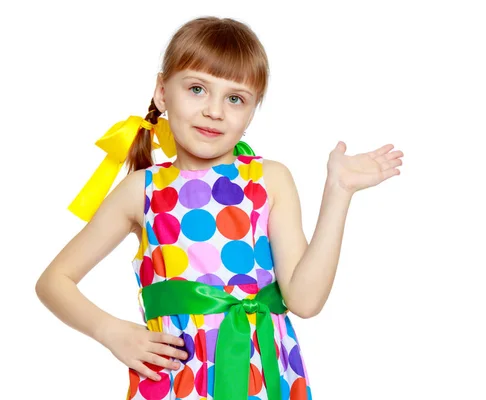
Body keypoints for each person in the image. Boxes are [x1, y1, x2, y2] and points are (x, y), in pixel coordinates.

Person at [35, 16, 403, 400]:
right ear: (162, 91)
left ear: (252, 110)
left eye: (235, 98)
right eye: (197, 88)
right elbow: (54, 281)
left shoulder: (270, 179)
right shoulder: (140, 190)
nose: (215, 111)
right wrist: (111, 331)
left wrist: (338, 192)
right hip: (178, 380)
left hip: (264, 379)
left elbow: (305, 302)